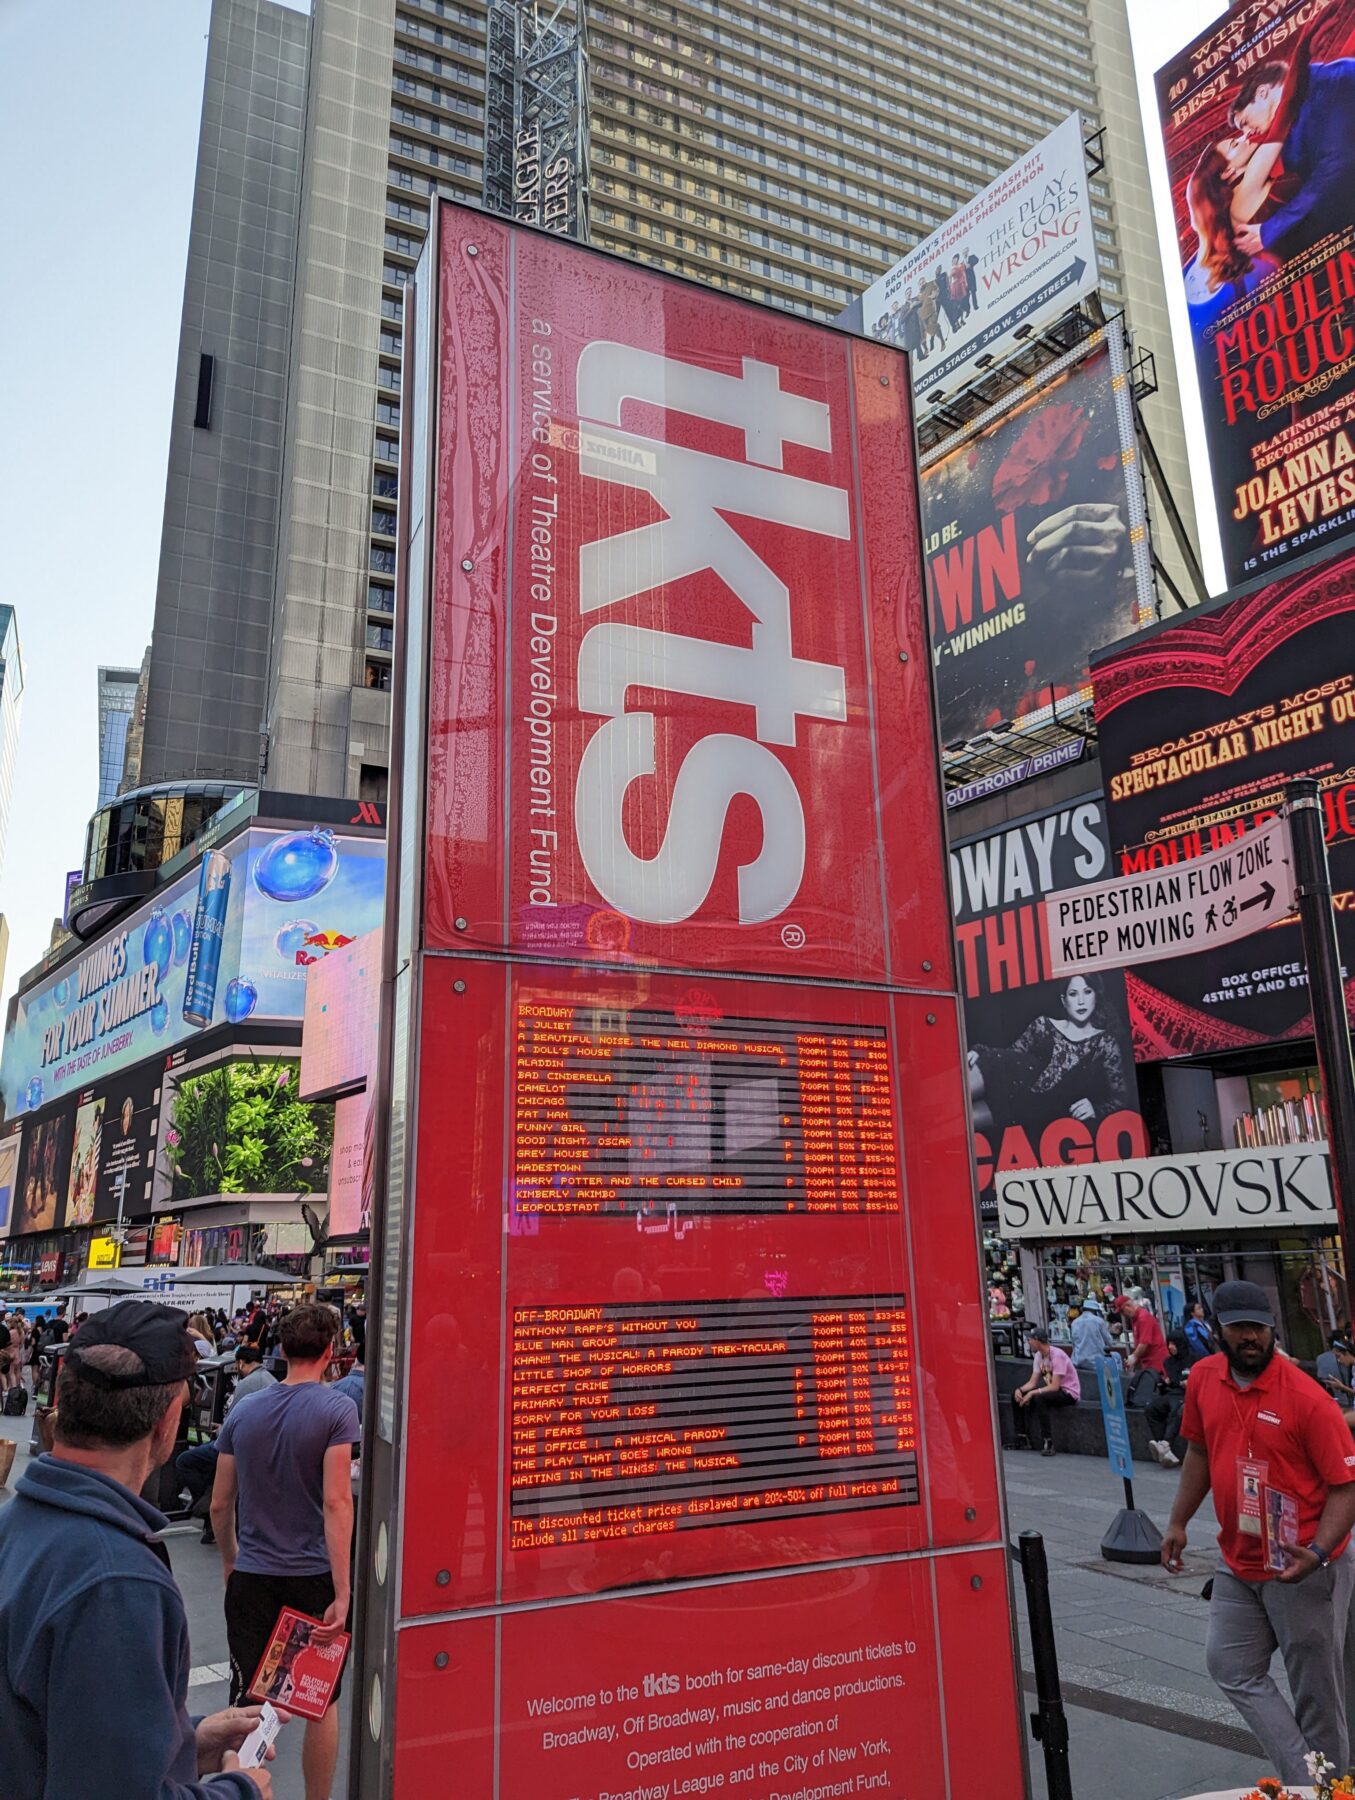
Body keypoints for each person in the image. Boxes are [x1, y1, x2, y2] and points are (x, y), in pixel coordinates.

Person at [0, 1301, 275, 1798]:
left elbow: (50, 1738)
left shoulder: (17, 1526)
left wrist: (183, 1743)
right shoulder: (116, 1582)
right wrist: (241, 1791)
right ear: (169, 1418)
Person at [1161, 1280, 1355, 1782]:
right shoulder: (1204, 1378)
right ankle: (1306, 1781)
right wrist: (1179, 1521)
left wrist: (1318, 1551)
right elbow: (1200, 1451)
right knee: (1229, 1665)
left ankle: (1328, 1788)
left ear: (1272, 1329)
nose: (1250, 1337)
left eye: (1259, 1327)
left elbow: (1346, 1487)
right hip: (1238, 1559)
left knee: (1317, 1693)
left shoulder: (1308, 1399)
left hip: (1304, 1562)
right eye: (1238, 1327)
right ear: (1217, 1328)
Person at [212, 1302, 359, 1800]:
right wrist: (343, 1590)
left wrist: (232, 1563)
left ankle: (239, 1790)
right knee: (320, 1701)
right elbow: (337, 1502)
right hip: (311, 1575)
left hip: (252, 1575)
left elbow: (219, 1505)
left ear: (279, 1348)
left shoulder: (245, 1410)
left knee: (250, 1703)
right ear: (330, 1350)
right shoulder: (337, 1409)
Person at [1230, 26, 1355, 264]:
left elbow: (1335, 167)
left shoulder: (1332, 82)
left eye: (1244, 122)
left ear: (1263, 93)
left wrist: (1269, 231)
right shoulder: (1286, 142)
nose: (1248, 133)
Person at [968, 974, 1131, 1139]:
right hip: (995, 1071)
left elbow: (1121, 1098)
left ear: (1096, 995)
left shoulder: (1105, 1043)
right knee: (950, 1100)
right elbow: (1012, 1053)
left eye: (1087, 992)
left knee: (955, 1125)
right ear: (1064, 1000)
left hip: (1018, 1108)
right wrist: (980, 1050)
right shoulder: (1043, 1024)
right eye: (1073, 994)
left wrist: (1096, 1109)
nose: (1081, 1001)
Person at [1012, 1325, 1080, 1457]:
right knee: (1016, 1396)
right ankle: (1022, 1438)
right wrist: (1020, 1390)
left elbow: (1055, 1386)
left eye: (1030, 1339)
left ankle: (1048, 1442)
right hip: (1054, 1391)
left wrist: (1033, 1393)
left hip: (1068, 1392)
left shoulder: (1057, 1356)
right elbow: (1033, 1382)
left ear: (1037, 1340)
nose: (1028, 1342)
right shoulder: (1038, 1356)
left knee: (1040, 1398)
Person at [1146, 1329, 1199, 1468]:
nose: (1170, 1347)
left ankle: (1165, 1443)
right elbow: (1176, 1379)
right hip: (1172, 1393)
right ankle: (1162, 1446)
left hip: (1185, 1395)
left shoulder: (1195, 1359)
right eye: (1169, 1344)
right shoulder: (1168, 1362)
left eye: (1173, 1344)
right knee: (1152, 1408)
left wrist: (1187, 1382)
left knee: (1178, 1410)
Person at [1120, 1293, 1169, 1383]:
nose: (1123, 1314)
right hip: (1148, 1363)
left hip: (1156, 1362)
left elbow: (1144, 1343)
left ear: (1128, 1306)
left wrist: (1133, 1357)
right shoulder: (1135, 1319)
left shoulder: (1143, 1318)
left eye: (1122, 1311)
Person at [1071, 1295, 1115, 1387]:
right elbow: (1109, 1343)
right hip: (1095, 1362)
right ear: (1095, 1311)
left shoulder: (1074, 1322)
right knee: (1117, 1357)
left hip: (1078, 1361)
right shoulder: (1099, 1321)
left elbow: (1074, 1344)